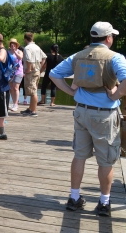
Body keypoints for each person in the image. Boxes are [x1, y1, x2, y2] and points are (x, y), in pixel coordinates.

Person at [49, 21, 126, 217]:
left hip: (81, 111)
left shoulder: (78, 56)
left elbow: (53, 74)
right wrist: (115, 95)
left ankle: (74, 198)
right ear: (108, 38)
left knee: (79, 155)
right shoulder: (115, 58)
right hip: (104, 113)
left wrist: (70, 92)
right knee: (106, 160)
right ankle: (104, 202)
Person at [20, 32, 46, 117]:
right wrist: (40, 67)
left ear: (25, 39)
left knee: (33, 91)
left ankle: (33, 111)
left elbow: (28, 59)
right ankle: (31, 108)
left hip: (31, 72)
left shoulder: (27, 48)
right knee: (32, 90)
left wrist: (29, 69)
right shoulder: (37, 47)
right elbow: (44, 57)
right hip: (37, 70)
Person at [8, 38, 24, 112]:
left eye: (14, 44)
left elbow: (20, 57)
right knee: (11, 88)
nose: (12, 45)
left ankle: (15, 104)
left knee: (16, 88)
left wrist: (15, 52)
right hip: (10, 72)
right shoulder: (8, 52)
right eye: (11, 44)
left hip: (18, 71)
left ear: (16, 45)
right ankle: (15, 102)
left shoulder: (19, 51)